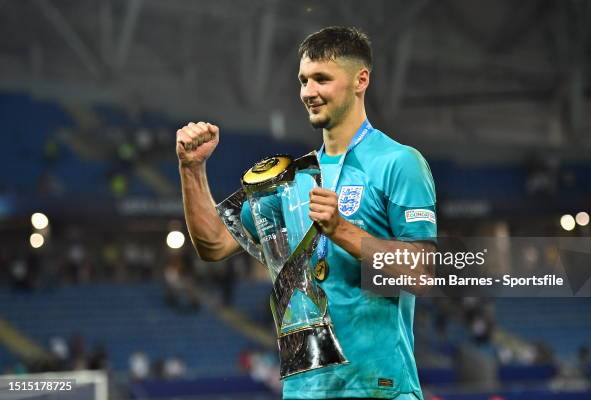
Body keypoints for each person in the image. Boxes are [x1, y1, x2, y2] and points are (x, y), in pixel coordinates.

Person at [177, 26, 437, 400]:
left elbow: (424, 273)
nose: (308, 92)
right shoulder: (289, 180)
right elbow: (214, 243)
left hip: (379, 388)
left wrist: (341, 230)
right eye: (303, 80)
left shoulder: (398, 163)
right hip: (304, 392)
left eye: (321, 79)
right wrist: (191, 169)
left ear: (360, 80)